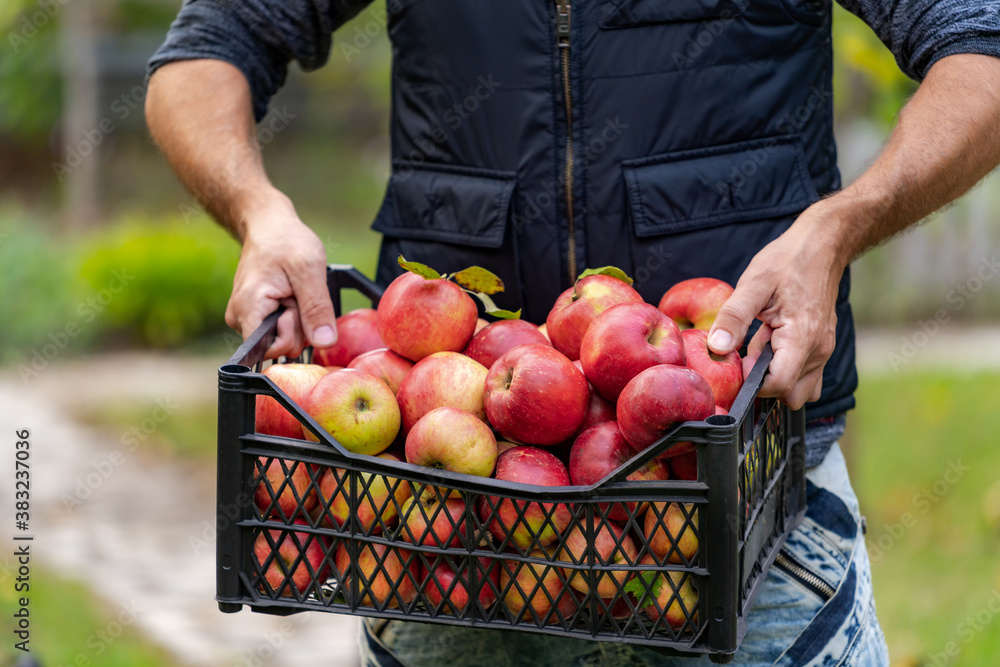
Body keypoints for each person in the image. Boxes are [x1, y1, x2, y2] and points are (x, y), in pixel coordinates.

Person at [146, 1, 1000, 664]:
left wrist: (839, 227)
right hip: (447, 539)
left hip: (747, 511)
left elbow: (981, 49)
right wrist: (257, 209)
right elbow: (207, 46)